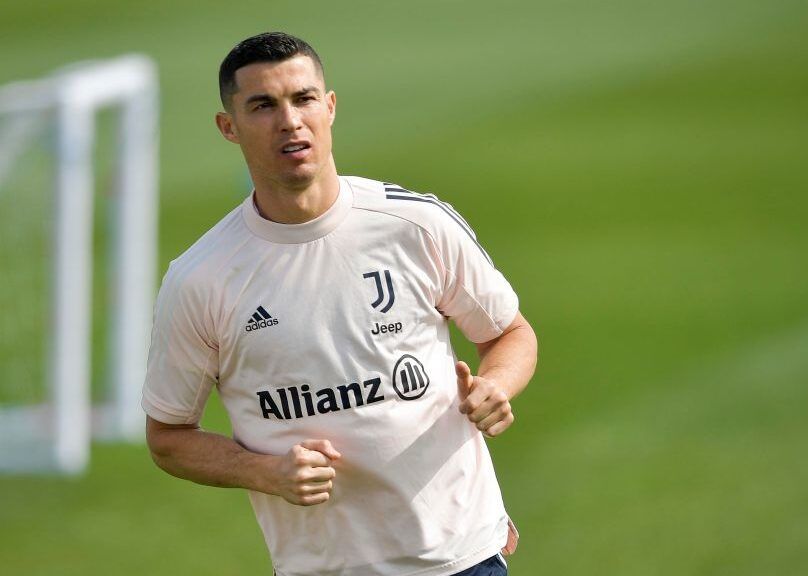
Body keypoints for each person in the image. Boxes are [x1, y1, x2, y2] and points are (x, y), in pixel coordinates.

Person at [143, 32, 537, 576]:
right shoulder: (201, 278)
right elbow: (168, 438)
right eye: (263, 105)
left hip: (460, 559)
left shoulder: (416, 225)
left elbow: (510, 333)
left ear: (329, 107)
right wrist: (264, 473)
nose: (290, 121)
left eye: (303, 98)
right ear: (228, 126)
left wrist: (497, 386)